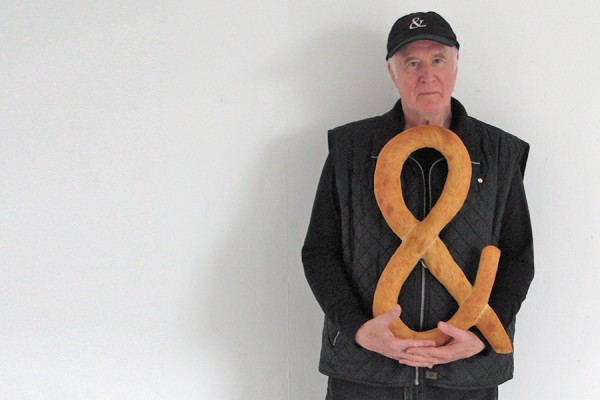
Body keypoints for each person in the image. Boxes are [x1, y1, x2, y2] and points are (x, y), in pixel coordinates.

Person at [301, 11, 534, 400]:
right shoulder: (350, 151)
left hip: (465, 378)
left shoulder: (500, 154)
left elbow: (517, 257)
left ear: (456, 65)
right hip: (366, 375)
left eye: (438, 59)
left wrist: (480, 338)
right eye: (412, 62)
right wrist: (359, 329)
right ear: (393, 73)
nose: (427, 74)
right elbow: (319, 253)